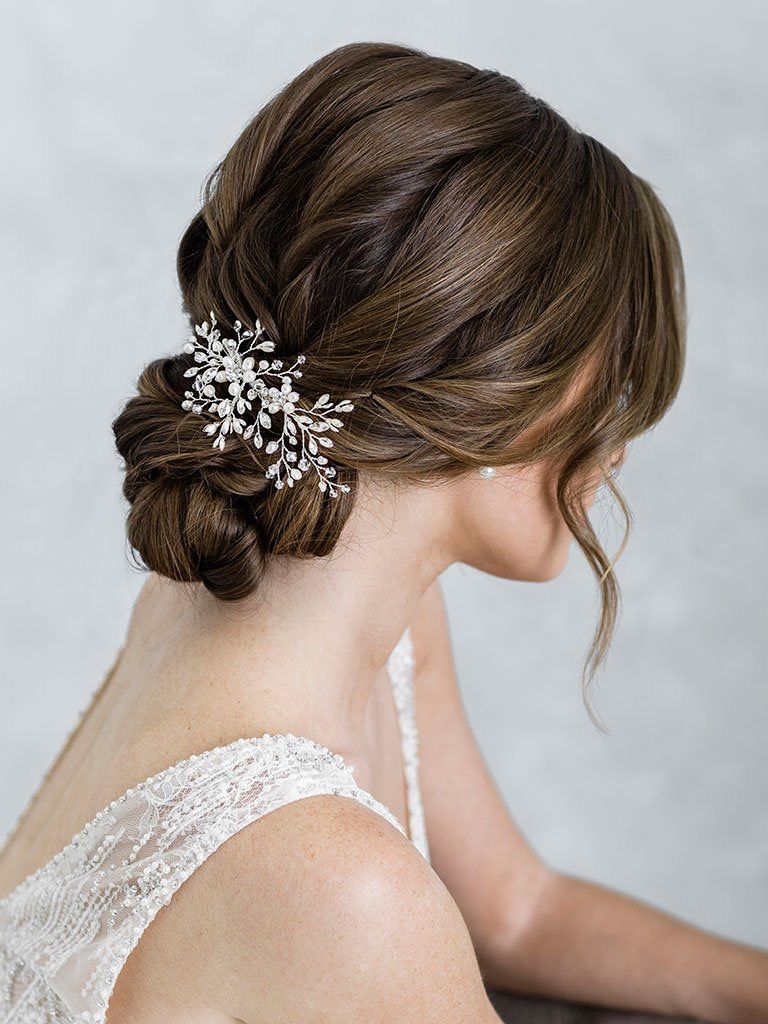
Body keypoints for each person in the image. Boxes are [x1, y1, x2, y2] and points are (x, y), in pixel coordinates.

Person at [1, 40, 765, 1024]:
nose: (615, 450)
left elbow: (518, 913)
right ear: (494, 391)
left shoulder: (261, 611)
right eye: (607, 389)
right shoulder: (339, 887)